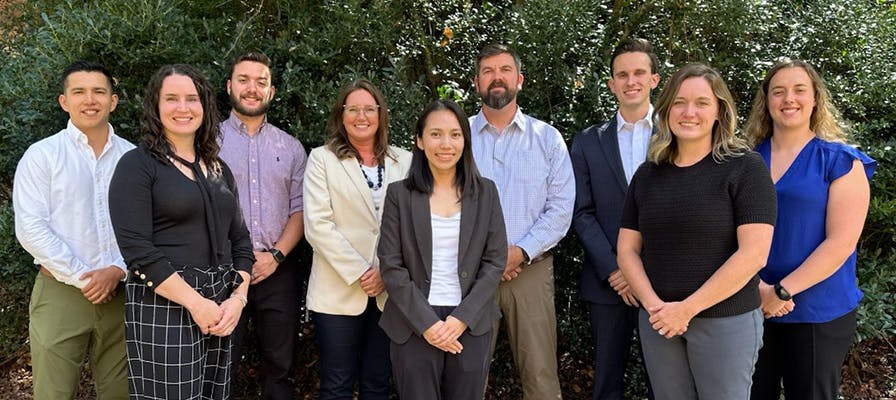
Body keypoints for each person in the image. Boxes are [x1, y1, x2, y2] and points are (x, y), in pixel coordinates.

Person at [616, 63, 777, 400]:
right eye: (679, 102)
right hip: (659, 321)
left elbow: (754, 254)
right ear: (666, 110)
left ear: (719, 111)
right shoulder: (647, 175)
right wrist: (655, 307)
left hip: (725, 322)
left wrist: (685, 309)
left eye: (702, 103)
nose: (689, 112)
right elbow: (628, 250)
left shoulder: (746, 168)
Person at [109, 64, 254, 399]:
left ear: (205, 106)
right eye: (171, 98)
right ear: (155, 107)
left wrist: (238, 298)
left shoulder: (219, 168)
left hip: (221, 301)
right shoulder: (137, 166)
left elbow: (241, 241)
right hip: (166, 301)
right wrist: (195, 303)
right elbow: (137, 251)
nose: (183, 107)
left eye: (192, 98)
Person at [745, 60, 876, 400]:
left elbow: (841, 242)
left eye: (799, 90)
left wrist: (782, 292)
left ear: (815, 98)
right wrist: (758, 289)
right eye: (779, 91)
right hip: (750, 303)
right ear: (767, 101)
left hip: (818, 310)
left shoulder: (841, 161)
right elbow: (725, 231)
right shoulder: (744, 160)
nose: (789, 99)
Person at [13, 60, 132, 399]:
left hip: (122, 296)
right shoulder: (42, 156)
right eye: (79, 91)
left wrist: (117, 270)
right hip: (60, 293)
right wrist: (88, 278)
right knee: (54, 392)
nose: (89, 99)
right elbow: (31, 228)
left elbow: (147, 228)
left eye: (99, 91)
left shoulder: (133, 158)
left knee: (120, 393)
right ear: (64, 101)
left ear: (114, 100)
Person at [378, 99, 507, 399]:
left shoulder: (486, 192)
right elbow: (391, 265)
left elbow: (495, 260)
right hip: (413, 324)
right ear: (420, 141)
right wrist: (429, 325)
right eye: (435, 134)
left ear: (465, 140)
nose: (445, 143)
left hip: (470, 323)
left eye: (455, 134)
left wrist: (460, 319)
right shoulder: (399, 194)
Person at [470, 43, 575, 400]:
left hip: (529, 271)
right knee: (464, 376)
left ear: (519, 79)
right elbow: (439, 205)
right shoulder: (457, 138)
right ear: (476, 82)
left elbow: (561, 209)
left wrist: (519, 252)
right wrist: (486, 257)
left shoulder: (547, 139)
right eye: (488, 71)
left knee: (541, 378)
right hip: (468, 273)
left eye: (504, 70)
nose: (496, 77)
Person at [303, 79, 412, 399]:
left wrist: (385, 272)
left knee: (378, 383)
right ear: (341, 114)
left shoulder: (404, 161)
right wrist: (363, 272)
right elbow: (318, 225)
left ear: (381, 115)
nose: (361, 116)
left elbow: (413, 225)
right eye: (353, 109)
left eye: (369, 109)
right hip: (338, 290)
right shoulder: (321, 159)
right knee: (336, 384)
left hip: (389, 293)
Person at [571, 38, 659, 400]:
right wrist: (616, 270)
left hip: (666, 282)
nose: (631, 81)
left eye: (639, 72)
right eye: (622, 74)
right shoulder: (588, 142)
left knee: (667, 384)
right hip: (609, 283)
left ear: (654, 79)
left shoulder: (678, 135)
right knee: (606, 382)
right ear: (611, 84)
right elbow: (581, 212)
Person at [219, 51, 307, 400]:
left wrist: (275, 256)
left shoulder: (291, 148)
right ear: (229, 86)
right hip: (222, 270)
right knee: (219, 365)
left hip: (279, 270)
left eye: (261, 82)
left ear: (271, 92)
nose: (252, 89)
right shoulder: (206, 141)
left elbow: (299, 210)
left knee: (281, 367)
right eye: (244, 80)